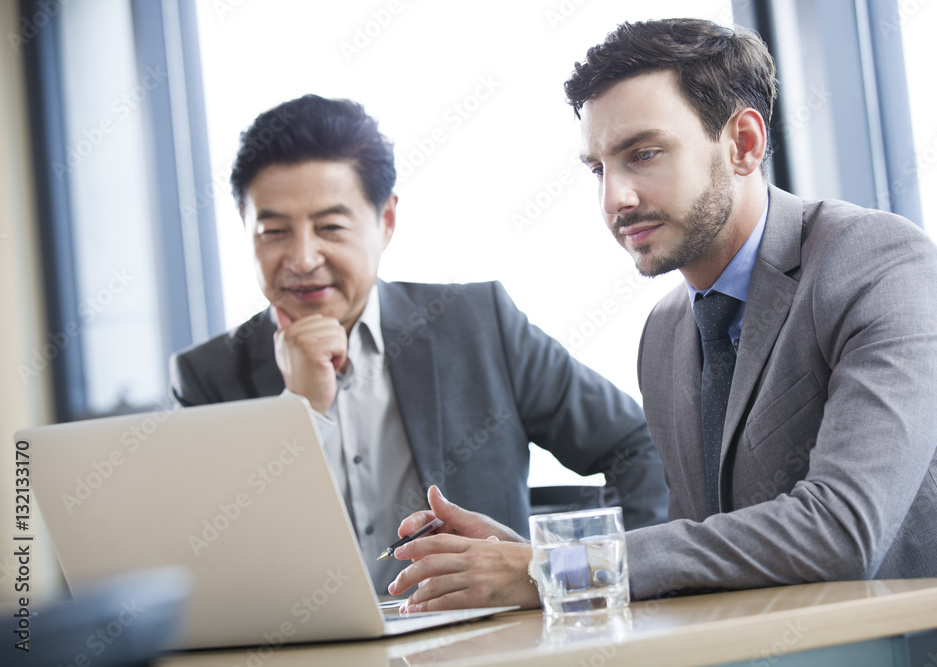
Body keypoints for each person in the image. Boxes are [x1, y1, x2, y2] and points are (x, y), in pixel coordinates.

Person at [386, 18, 937, 611]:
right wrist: (520, 562)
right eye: (598, 169)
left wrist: (556, 569)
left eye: (644, 154)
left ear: (744, 143)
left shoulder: (881, 264)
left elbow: (841, 532)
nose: (614, 199)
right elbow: (707, 557)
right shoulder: (667, 332)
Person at [168, 94, 671, 593]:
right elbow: (197, 557)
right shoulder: (206, 378)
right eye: (274, 230)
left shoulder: (477, 325)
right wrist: (300, 409)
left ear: (385, 221)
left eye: (330, 227)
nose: (302, 258)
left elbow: (638, 446)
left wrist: (600, 579)